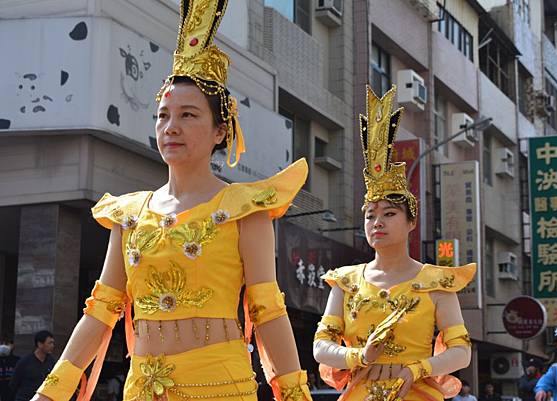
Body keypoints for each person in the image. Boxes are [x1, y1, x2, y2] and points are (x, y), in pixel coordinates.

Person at [31, 2, 313, 401]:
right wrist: (51, 392)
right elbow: (100, 312)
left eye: (188, 115)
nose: (171, 127)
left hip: (220, 388)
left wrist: (295, 393)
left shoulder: (244, 209)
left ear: (220, 130)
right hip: (144, 389)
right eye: (163, 116)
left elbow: (268, 313)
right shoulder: (129, 215)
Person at [312, 85, 475, 401]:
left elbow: (461, 351)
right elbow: (321, 345)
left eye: (389, 214)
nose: (377, 223)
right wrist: (358, 357)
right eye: (370, 215)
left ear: (411, 222)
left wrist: (417, 369)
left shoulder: (436, 282)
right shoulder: (344, 282)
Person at [9, 332, 54, 401]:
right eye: (49, 343)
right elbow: (13, 384)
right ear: (40, 344)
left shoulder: (51, 362)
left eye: (52, 343)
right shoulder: (25, 362)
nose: (52, 346)